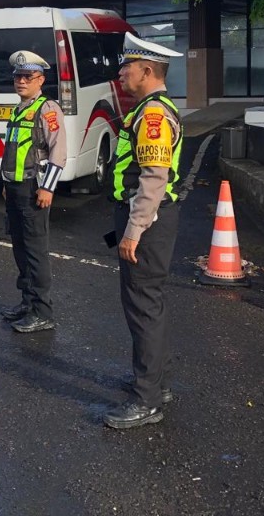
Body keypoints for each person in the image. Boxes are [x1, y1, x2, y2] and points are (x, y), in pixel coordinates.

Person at [103, 32, 184, 430]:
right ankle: (155, 383)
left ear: (147, 70)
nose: (120, 74)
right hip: (150, 219)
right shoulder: (149, 109)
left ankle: (147, 399)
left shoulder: (152, 115)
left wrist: (133, 231)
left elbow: (153, 178)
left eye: (127, 67)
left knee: (143, 306)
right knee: (149, 304)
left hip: (147, 221)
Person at [0, 50, 66, 333]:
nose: (21, 81)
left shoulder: (47, 109)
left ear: (41, 79)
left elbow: (58, 152)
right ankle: (27, 303)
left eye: (27, 76)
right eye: (18, 76)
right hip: (15, 188)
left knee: (36, 251)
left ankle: (42, 311)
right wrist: (5, 184)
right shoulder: (19, 108)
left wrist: (47, 189)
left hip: (33, 189)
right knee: (21, 249)